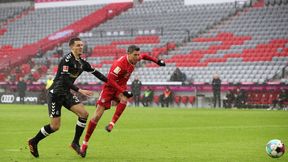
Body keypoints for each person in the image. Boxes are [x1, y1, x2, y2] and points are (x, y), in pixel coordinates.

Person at [28, 37, 108, 158]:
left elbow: (96, 73)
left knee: (84, 114)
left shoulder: (82, 62)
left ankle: (75, 142)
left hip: (66, 93)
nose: (81, 47)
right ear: (71, 47)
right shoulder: (66, 60)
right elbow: (64, 80)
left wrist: (110, 82)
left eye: (82, 45)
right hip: (56, 94)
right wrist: (79, 90)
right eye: (78, 45)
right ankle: (34, 141)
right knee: (55, 127)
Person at [80, 45, 165, 157]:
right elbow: (110, 81)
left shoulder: (135, 58)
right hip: (109, 88)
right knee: (96, 116)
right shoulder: (119, 65)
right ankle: (85, 143)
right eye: (135, 55)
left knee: (124, 99)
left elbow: (144, 56)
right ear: (128, 54)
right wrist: (122, 90)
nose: (137, 57)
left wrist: (157, 61)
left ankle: (111, 124)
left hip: (120, 88)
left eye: (137, 54)